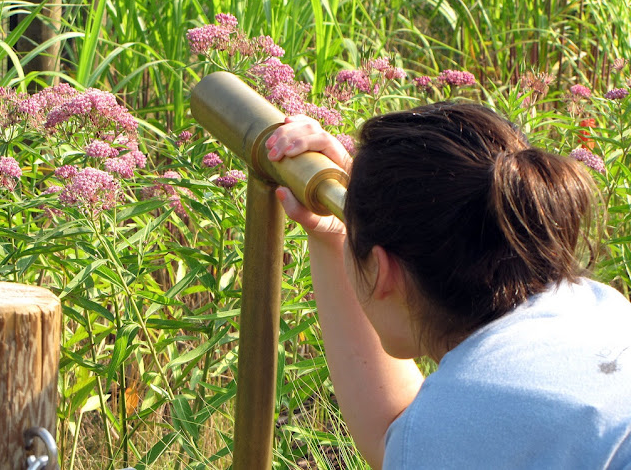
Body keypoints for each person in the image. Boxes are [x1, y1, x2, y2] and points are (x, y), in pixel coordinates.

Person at [265, 102, 631, 469]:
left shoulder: (450, 423)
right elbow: (403, 440)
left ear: (380, 269)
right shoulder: (599, 308)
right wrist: (342, 226)